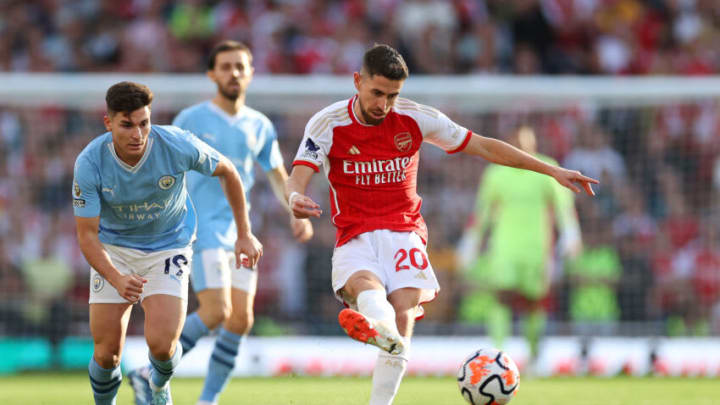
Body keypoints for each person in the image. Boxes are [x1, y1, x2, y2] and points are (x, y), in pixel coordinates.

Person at [285, 44, 598, 405]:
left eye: (392, 96)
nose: (384, 105)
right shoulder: (328, 122)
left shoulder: (416, 118)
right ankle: (378, 326)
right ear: (358, 81)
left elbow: (484, 147)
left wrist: (551, 170)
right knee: (370, 295)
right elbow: (298, 176)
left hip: (405, 236)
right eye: (377, 93)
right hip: (356, 236)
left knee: (401, 317)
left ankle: (379, 338)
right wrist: (295, 198)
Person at [73, 81, 262, 405]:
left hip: (168, 245)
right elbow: (87, 235)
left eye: (144, 123)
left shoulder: (176, 144)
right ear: (109, 123)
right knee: (106, 355)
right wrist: (116, 277)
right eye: (127, 125)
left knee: (162, 346)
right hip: (115, 250)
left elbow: (228, 171)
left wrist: (244, 233)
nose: (138, 134)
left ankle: (158, 386)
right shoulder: (90, 163)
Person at [458, 126, 582, 370]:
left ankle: (535, 356)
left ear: (534, 142)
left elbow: (563, 208)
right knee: (502, 296)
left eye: (527, 138)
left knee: (534, 302)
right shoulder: (495, 173)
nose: (522, 143)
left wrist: (571, 234)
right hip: (504, 247)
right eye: (516, 140)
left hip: (537, 249)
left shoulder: (547, 168)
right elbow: (481, 212)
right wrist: (471, 242)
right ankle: (496, 355)